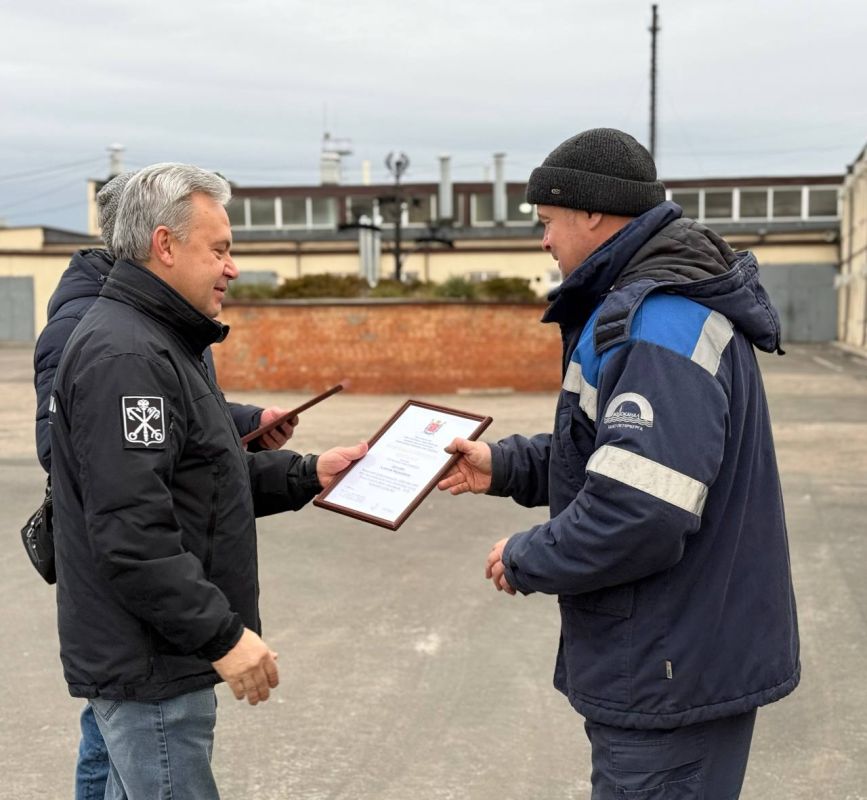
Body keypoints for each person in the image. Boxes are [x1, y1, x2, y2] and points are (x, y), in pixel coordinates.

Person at [438, 128, 799, 798]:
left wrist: (528, 556)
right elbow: (611, 455)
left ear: (592, 213)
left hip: (669, 668)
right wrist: (503, 464)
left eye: (547, 220)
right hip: (676, 658)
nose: (543, 240)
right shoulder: (645, 307)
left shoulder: (656, 322)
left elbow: (641, 509)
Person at [48, 162, 366, 799]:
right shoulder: (128, 356)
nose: (232, 267)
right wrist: (223, 636)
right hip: (151, 661)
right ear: (165, 245)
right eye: (219, 250)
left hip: (159, 654)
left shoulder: (162, 339)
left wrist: (307, 473)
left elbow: (202, 477)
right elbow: (133, 535)